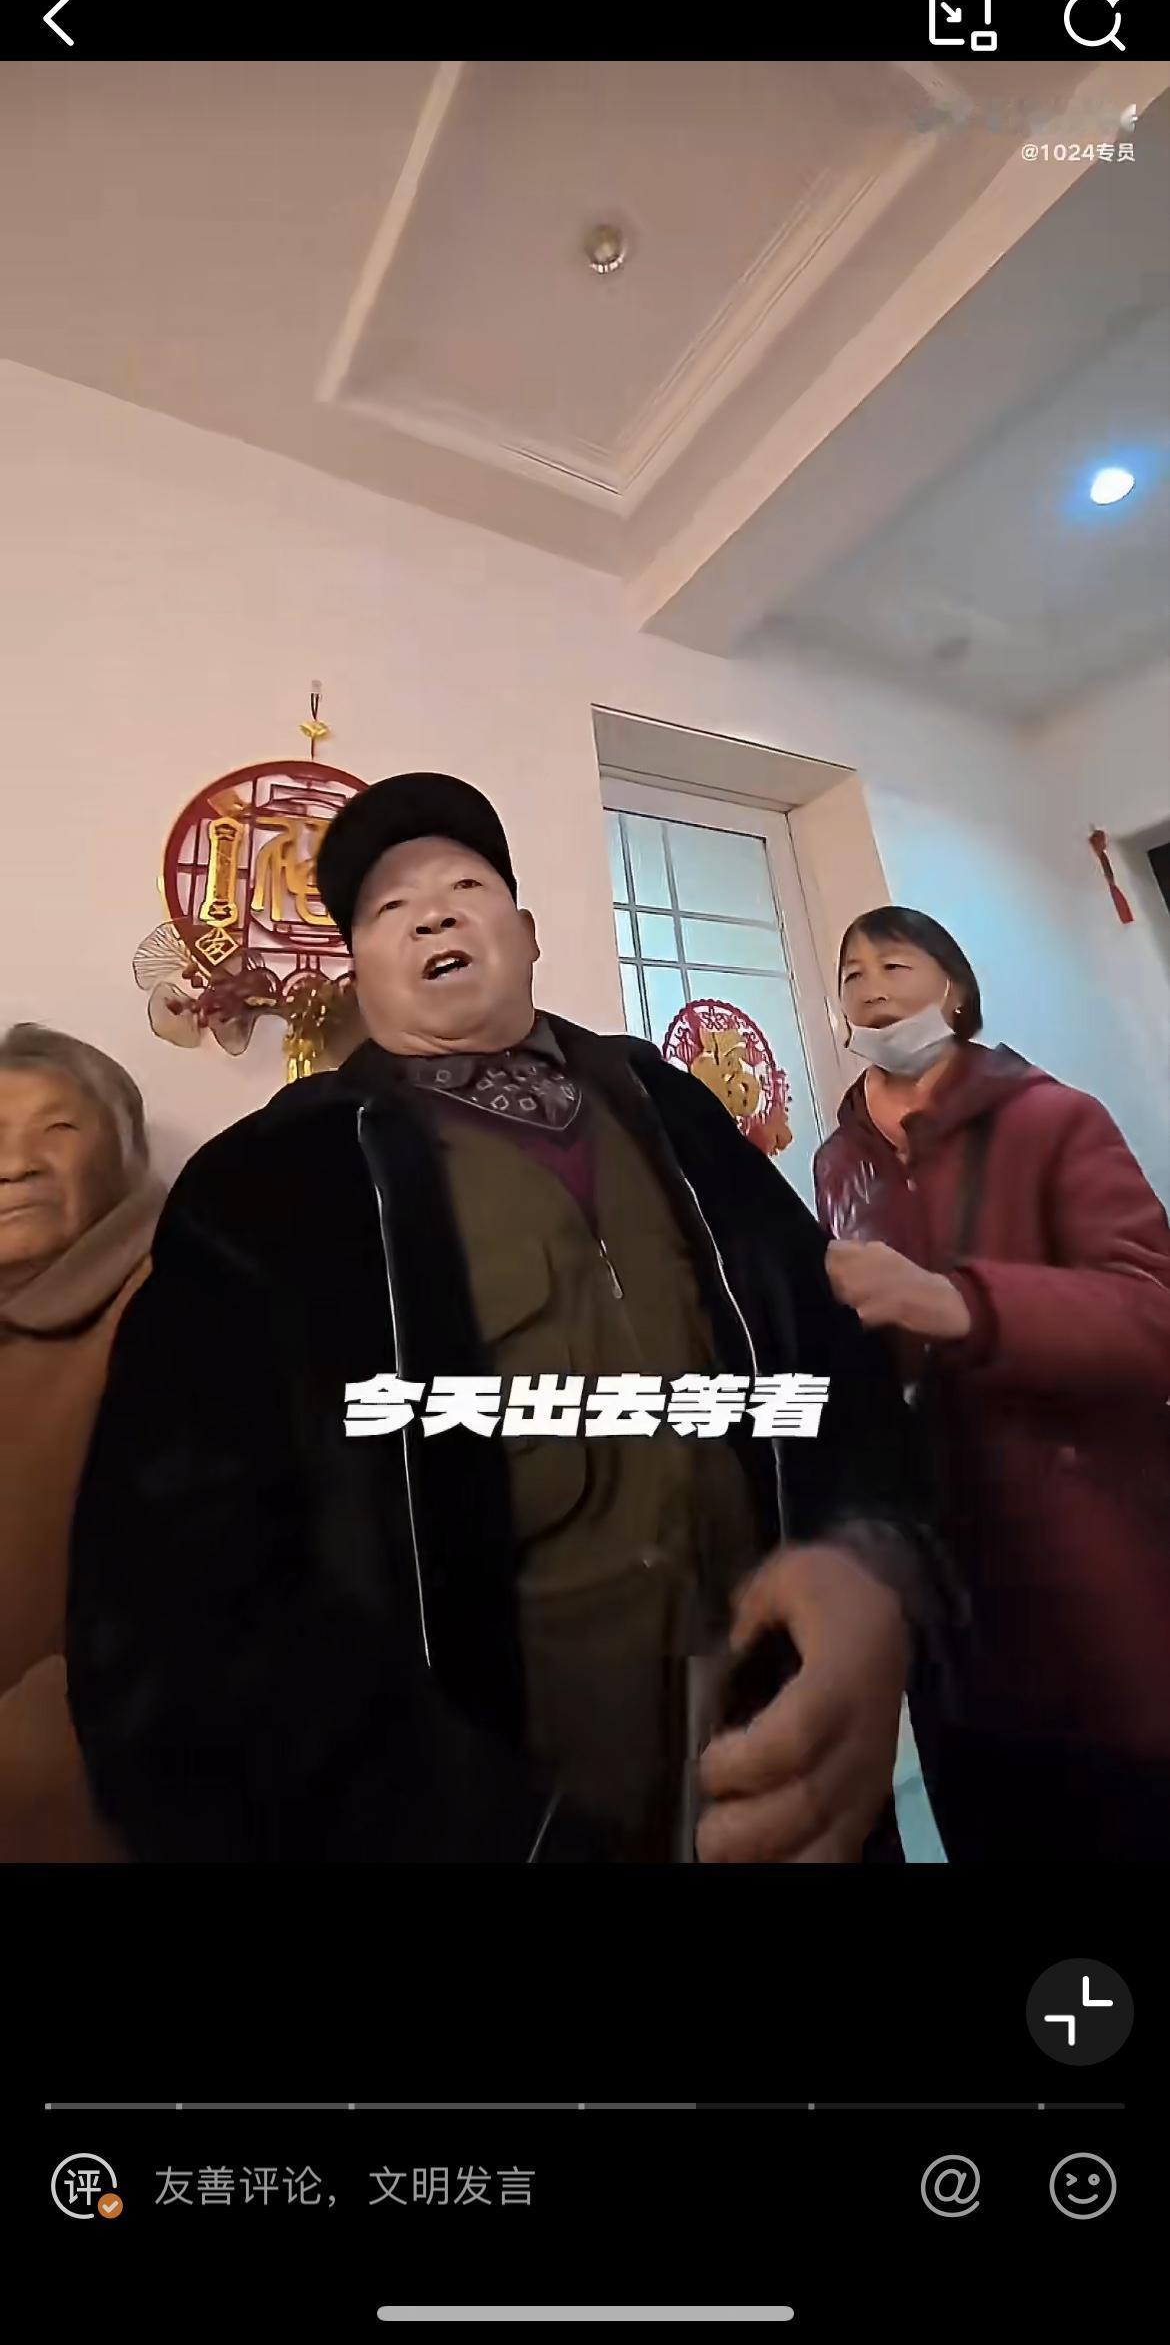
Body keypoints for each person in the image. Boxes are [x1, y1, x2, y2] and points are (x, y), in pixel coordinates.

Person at [68, 775, 937, 1866]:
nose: (433, 915)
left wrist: (869, 1557)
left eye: (466, 888)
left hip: (777, 1765)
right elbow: (174, 1602)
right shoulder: (268, 1187)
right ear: (358, 974)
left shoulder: (672, 1109)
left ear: (525, 937)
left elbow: (829, 1360)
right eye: (390, 909)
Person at [816, 905, 1170, 1862]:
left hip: (1091, 1579)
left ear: (956, 991)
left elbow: (1152, 1314)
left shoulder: (1055, 1118)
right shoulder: (838, 1162)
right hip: (944, 1602)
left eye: (895, 965)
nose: (871, 988)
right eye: (851, 976)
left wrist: (962, 1304)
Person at [0, 1024, 160, 1860]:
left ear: (126, 1156)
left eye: (57, 1129)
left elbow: (169, 1627)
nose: (15, 1164)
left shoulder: (179, 1304)